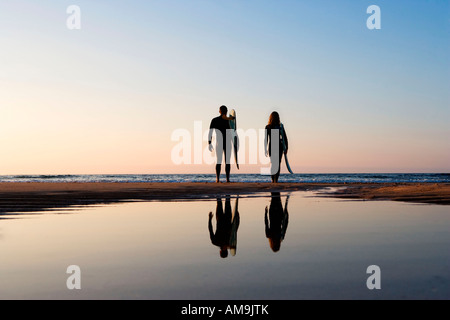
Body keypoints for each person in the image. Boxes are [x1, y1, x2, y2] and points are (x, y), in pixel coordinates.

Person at [208, 105, 235, 183]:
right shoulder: (229, 120)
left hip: (219, 142)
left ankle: (218, 179)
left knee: (219, 161)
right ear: (226, 111)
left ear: (219, 111)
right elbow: (234, 131)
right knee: (227, 161)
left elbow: (210, 132)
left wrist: (209, 143)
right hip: (227, 142)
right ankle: (227, 179)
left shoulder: (215, 120)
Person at [265, 111, 288, 183]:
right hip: (279, 146)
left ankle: (273, 180)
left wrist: (265, 149)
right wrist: (286, 147)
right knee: (277, 164)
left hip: (272, 146)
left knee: (273, 164)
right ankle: (276, 180)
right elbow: (285, 138)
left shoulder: (268, 127)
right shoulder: (279, 126)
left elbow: (266, 139)